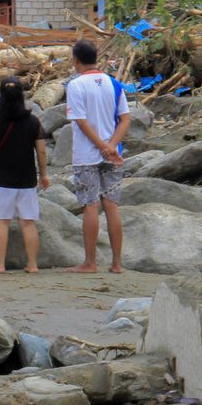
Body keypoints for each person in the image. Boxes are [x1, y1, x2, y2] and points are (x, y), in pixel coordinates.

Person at [65, 39, 129, 273]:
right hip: (114, 154)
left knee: (90, 206)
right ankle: (117, 263)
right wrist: (111, 145)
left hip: (86, 154)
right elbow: (125, 119)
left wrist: (101, 145)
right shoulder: (114, 84)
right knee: (112, 206)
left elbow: (80, 121)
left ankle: (90, 262)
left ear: (75, 60)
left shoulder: (76, 85)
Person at [0, 77, 50, 273]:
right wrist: (43, 174)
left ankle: (0, 265)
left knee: (1, 222)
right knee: (28, 222)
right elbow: (41, 151)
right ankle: (33, 264)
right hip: (26, 179)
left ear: (1, 96)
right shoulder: (33, 122)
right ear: (21, 96)